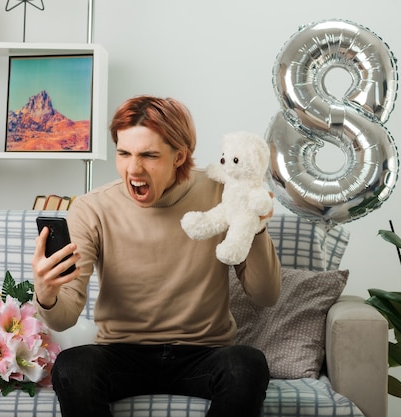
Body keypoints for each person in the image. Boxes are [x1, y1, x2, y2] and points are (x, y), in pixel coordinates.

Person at [32, 95, 281, 417]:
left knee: (247, 363)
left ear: (179, 156)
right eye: (124, 153)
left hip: (204, 353)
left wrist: (256, 227)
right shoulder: (92, 208)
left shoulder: (223, 193)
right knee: (73, 366)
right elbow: (63, 318)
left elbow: (266, 295)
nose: (133, 169)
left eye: (149, 155)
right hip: (121, 354)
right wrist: (47, 292)